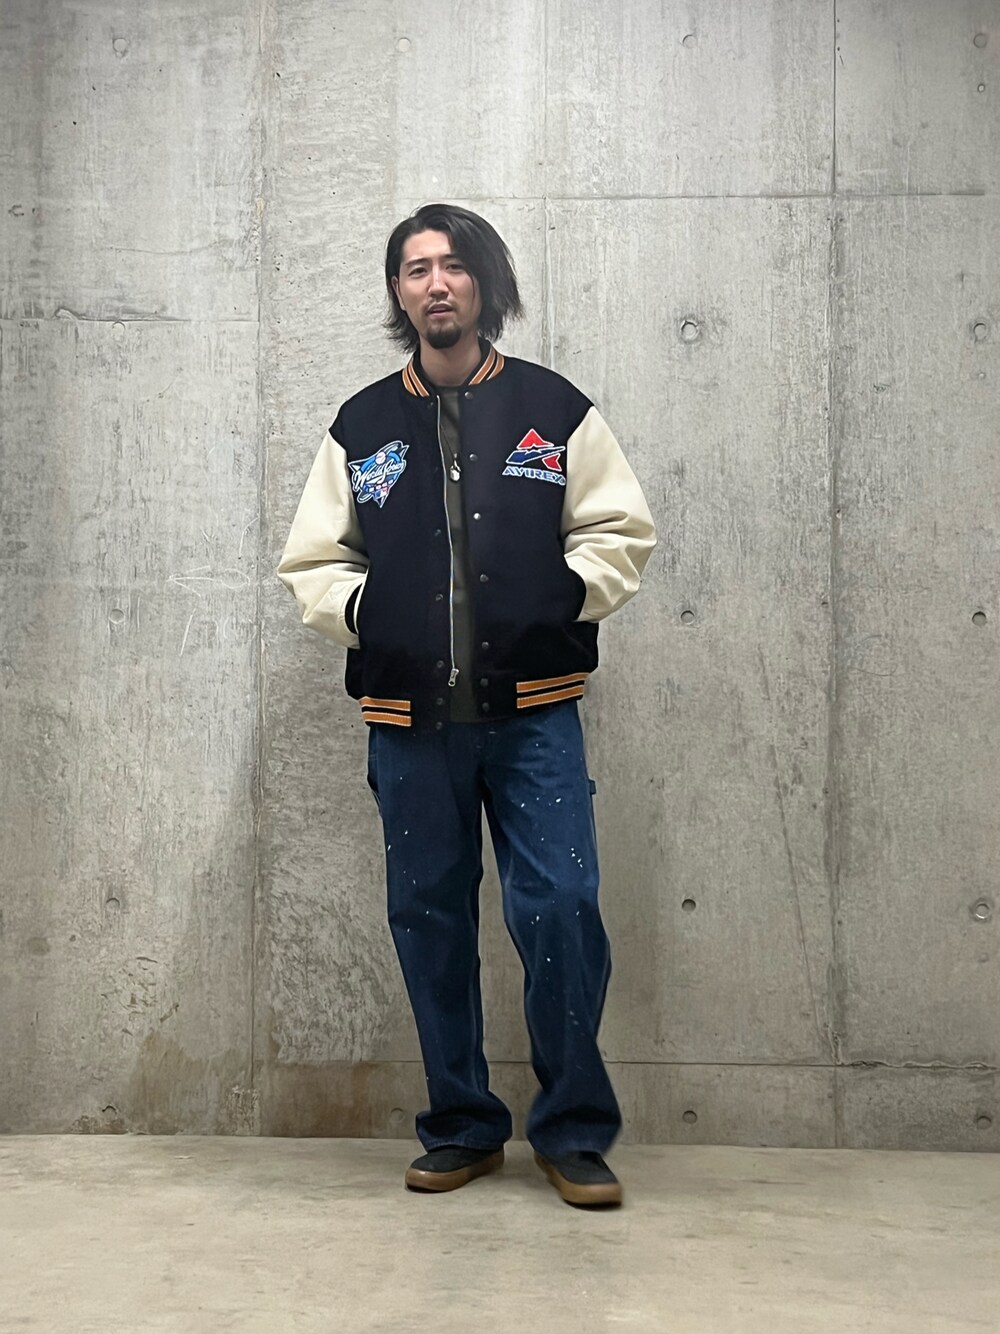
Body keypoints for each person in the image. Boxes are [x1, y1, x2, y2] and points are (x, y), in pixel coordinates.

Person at [277, 203, 656, 1208]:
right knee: (428, 917)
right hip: (409, 724)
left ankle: (572, 1131)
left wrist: (559, 597)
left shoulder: (552, 408)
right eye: (415, 269)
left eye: (452, 265)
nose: (435, 283)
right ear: (399, 293)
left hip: (535, 714)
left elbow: (619, 530)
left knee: (562, 907)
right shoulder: (361, 425)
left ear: (485, 283)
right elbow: (313, 561)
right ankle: (461, 1124)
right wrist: (371, 612)